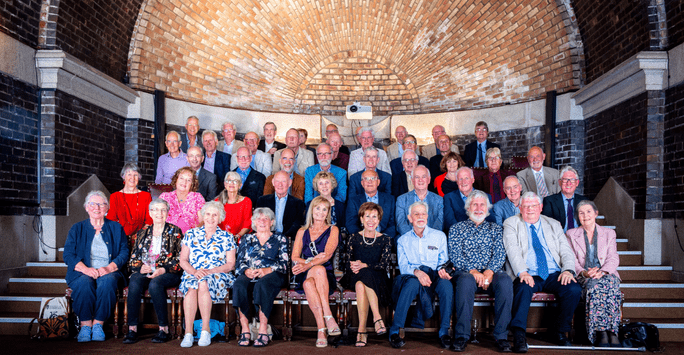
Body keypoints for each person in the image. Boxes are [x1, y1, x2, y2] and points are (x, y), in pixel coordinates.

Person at [503, 192, 581, 352]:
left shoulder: (553, 223)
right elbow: (512, 250)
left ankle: (558, 331)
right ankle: (518, 333)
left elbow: (566, 250)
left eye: (533, 205)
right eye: (526, 206)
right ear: (520, 207)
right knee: (523, 288)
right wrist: (522, 272)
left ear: (540, 207)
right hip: (528, 272)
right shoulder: (511, 222)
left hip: (553, 272)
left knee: (573, 289)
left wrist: (568, 270)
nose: (530, 209)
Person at [446, 191, 512, 352]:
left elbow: (500, 253)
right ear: (468, 207)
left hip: (492, 272)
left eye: (482, 204)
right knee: (466, 281)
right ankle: (461, 335)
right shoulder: (456, 228)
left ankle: (501, 336)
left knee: (505, 282)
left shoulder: (496, 229)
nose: (478, 208)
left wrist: (489, 271)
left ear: (488, 208)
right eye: (474, 204)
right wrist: (473, 271)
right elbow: (455, 255)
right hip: (465, 272)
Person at [64, 191, 128, 342]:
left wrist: (108, 268)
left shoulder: (116, 228)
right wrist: (85, 269)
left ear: (108, 208)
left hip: (109, 270)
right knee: (84, 282)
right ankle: (85, 325)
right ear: (86, 207)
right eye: (93, 204)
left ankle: (98, 324)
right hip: (83, 271)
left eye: (101, 204)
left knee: (107, 281)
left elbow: (124, 252)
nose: (97, 207)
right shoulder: (76, 228)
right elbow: (68, 255)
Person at [389, 202, 453, 349]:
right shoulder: (403, 240)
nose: (420, 217)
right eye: (416, 214)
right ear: (410, 218)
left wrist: (443, 270)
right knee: (412, 284)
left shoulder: (439, 236)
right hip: (411, 275)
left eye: (423, 213)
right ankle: (394, 331)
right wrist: (418, 273)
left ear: (427, 216)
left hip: (434, 274)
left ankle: (444, 332)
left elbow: (443, 262)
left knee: (446, 286)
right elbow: (404, 266)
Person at [123, 198, 183, 344]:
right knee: (135, 281)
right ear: (150, 213)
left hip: (168, 272)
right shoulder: (142, 232)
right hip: (146, 270)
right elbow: (133, 258)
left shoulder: (175, 231)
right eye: (155, 210)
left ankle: (163, 329)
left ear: (168, 212)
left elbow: (180, 258)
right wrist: (139, 267)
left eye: (163, 210)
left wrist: (162, 269)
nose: (159, 213)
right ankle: (132, 329)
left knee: (155, 284)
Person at [179, 201, 237, 348]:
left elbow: (230, 264)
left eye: (215, 215)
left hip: (218, 274)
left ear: (220, 218)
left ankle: (205, 331)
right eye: (208, 214)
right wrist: (194, 272)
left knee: (203, 281)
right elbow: (183, 260)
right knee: (193, 283)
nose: (211, 218)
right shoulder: (191, 234)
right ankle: (188, 333)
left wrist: (210, 271)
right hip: (193, 272)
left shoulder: (227, 237)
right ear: (203, 216)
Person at [566, 200, 622, 347]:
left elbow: (613, 257)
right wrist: (584, 273)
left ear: (596, 213)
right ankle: (602, 333)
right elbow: (571, 260)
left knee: (609, 284)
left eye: (589, 211)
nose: (585, 216)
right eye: (581, 213)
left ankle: (611, 332)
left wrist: (602, 271)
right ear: (578, 216)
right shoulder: (571, 234)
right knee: (595, 286)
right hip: (584, 275)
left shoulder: (609, 233)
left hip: (606, 273)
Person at [233, 208, 289, 347]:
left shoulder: (280, 239)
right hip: (251, 273)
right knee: (239, 284)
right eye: (259, 219)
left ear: (272, 222)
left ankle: (262, 329)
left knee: (262, 285)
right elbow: (239, 263)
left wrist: (268, 270)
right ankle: (245, 330)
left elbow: (284, 264)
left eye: (266, 219)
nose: (262, 221)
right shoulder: (246, 238)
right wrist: (246, 271)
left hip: (273, 275)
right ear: (254, 222)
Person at [291, 196, 341, 348]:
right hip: (304, 271)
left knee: (311, 280)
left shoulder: (333, 229)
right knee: (315, 270)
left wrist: (308, 264)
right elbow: (294, 257)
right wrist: (309, 264)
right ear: (311, 210)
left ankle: (321, 329)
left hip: (326, 274)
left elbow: (327, 254)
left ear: (328, 212)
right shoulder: (302, 231)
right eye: (317, 208)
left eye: (324, 209)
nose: (320, 212)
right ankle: (328, 316)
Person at [341, 202, 392, 347]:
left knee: (361, 283)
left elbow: (383, 265)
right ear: (361, 219)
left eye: (374, 217)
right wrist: (355, 266)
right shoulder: (353, 238)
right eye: (367, 216)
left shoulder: (386, 240)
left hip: (378, 278)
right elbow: (346, 263)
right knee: (362, 276)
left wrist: (364, 265)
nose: (371, 220)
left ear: (379, 219)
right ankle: (377, 318)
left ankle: (361, 331)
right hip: (354, 274)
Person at [106, 163, 152, 246]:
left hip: (141, 239)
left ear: (139, 178)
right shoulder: (115, 196)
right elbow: (111, 220)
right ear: (123, 176)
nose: (132, 178)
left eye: (135, 175)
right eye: (129, 174)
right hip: (120, 238)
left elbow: (149, 219)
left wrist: (140, 235)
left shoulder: (146, 196)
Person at [346, 169, 396, 240]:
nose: (370, 181)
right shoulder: (354, 201)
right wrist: (363, 237)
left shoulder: (390, 199)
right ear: (362, 183)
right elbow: (351, 223)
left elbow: (392, 224)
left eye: (373, 178)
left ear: (378, 182)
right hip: (361, 239)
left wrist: (383, 237)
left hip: (384, 239)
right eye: (366, 179)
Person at [256, 171, 306, 239]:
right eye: (277, 181)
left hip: (288, 239)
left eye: (284, 181)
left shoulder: (299, 204)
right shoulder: (262, 201)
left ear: (290, 183)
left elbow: (297, 225)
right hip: (266, 239)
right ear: (273, 182)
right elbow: (258, 223)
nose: (280, 185)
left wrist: (282, 238)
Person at [395, 165, 443, 237]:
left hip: (432, 239)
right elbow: (401, 223)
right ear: (412, 180)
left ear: (429, 180)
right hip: (409, 240)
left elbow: (439, 223)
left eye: (424, 177)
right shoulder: (401, 199)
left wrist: (428, 238)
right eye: (417, 177)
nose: (420, 180)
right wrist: (414, 238)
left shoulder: (439, 200)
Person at [444, 167, 494, 232]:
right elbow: (450, 222)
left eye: (466, 178)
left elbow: (491, 220)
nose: (463, 182)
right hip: (459, 236)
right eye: (460, 179)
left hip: (482, 235)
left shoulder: (486, 197)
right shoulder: (449, 197)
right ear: (457, 182)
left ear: (472, 180)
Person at [542, 166, 588, 231]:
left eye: (572, 180)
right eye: (565, 179)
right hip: (559, 238)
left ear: (577, 183)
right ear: (559, 182)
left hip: (580, 238)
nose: (568, 183)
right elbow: (546, 225)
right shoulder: (549, 201)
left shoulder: (584, 201)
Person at [159, 167, 205, 233]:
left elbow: (202, 221)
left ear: (192, 184)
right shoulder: (164, 197)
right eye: (181, 178)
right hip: (167, 237)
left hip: (190, 238)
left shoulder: (197, 197)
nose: (184, 182)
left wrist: (192, 236)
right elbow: (158, 219)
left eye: (188, 180)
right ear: (176, 179)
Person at [216, 171, 252, 242]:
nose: (232, 183)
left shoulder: (246, 201)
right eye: (229, 181)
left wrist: (237, 237)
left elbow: (247, 224)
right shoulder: (217, 201)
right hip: (220, 239)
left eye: (235, 181)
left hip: (239, 239)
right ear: (225, 184)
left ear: (240, 185)